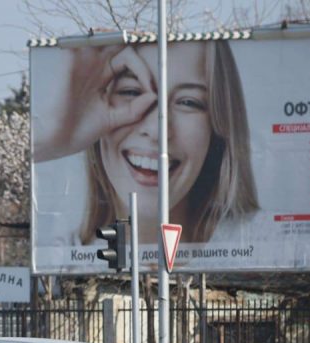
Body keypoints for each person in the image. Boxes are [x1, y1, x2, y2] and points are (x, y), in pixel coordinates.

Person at [34, 40, 258, 245]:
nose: (156, 130)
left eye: (189, 102)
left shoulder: (262, 247)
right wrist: (52, 138)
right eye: (131, 91)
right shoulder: (59, 261)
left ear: (218, 127)